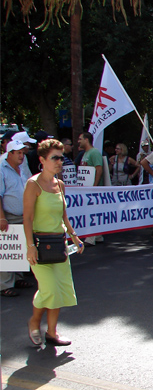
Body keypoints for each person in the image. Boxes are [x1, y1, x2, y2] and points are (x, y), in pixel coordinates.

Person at [24, 139, 84, 346]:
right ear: (42, 160)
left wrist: (74, 236)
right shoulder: (33, 184)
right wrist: (30, 246)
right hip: (39, 244)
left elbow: (63, 215)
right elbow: (28, 218)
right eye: (55, 158)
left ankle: (52, 333)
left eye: (61, 157)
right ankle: (34, 320)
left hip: (58, 244)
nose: (60, 161)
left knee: (59, 289)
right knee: (49, 289)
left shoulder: (60, 184)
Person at [1, 140, 33, 297]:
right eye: (18, 153)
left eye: (22, 152)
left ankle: (18, 278)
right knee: (7, 249)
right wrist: (1, 218)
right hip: (9, 216)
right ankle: (4, 284)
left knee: (20, 249)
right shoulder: (2, 170)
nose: (22, 155)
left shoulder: (20, 169)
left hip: (23, 215)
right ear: (10, 153)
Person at [78, 132, 104, 246]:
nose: (78, 141)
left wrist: (94, 186)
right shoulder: (85, 153)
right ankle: (97, 236)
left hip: (93, 189)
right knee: (91, 212)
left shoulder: (94, 153)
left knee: (91, 213)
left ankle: (90, 238)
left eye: (80, 139)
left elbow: (99, 169)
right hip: (86, 189)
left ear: (86, 140)